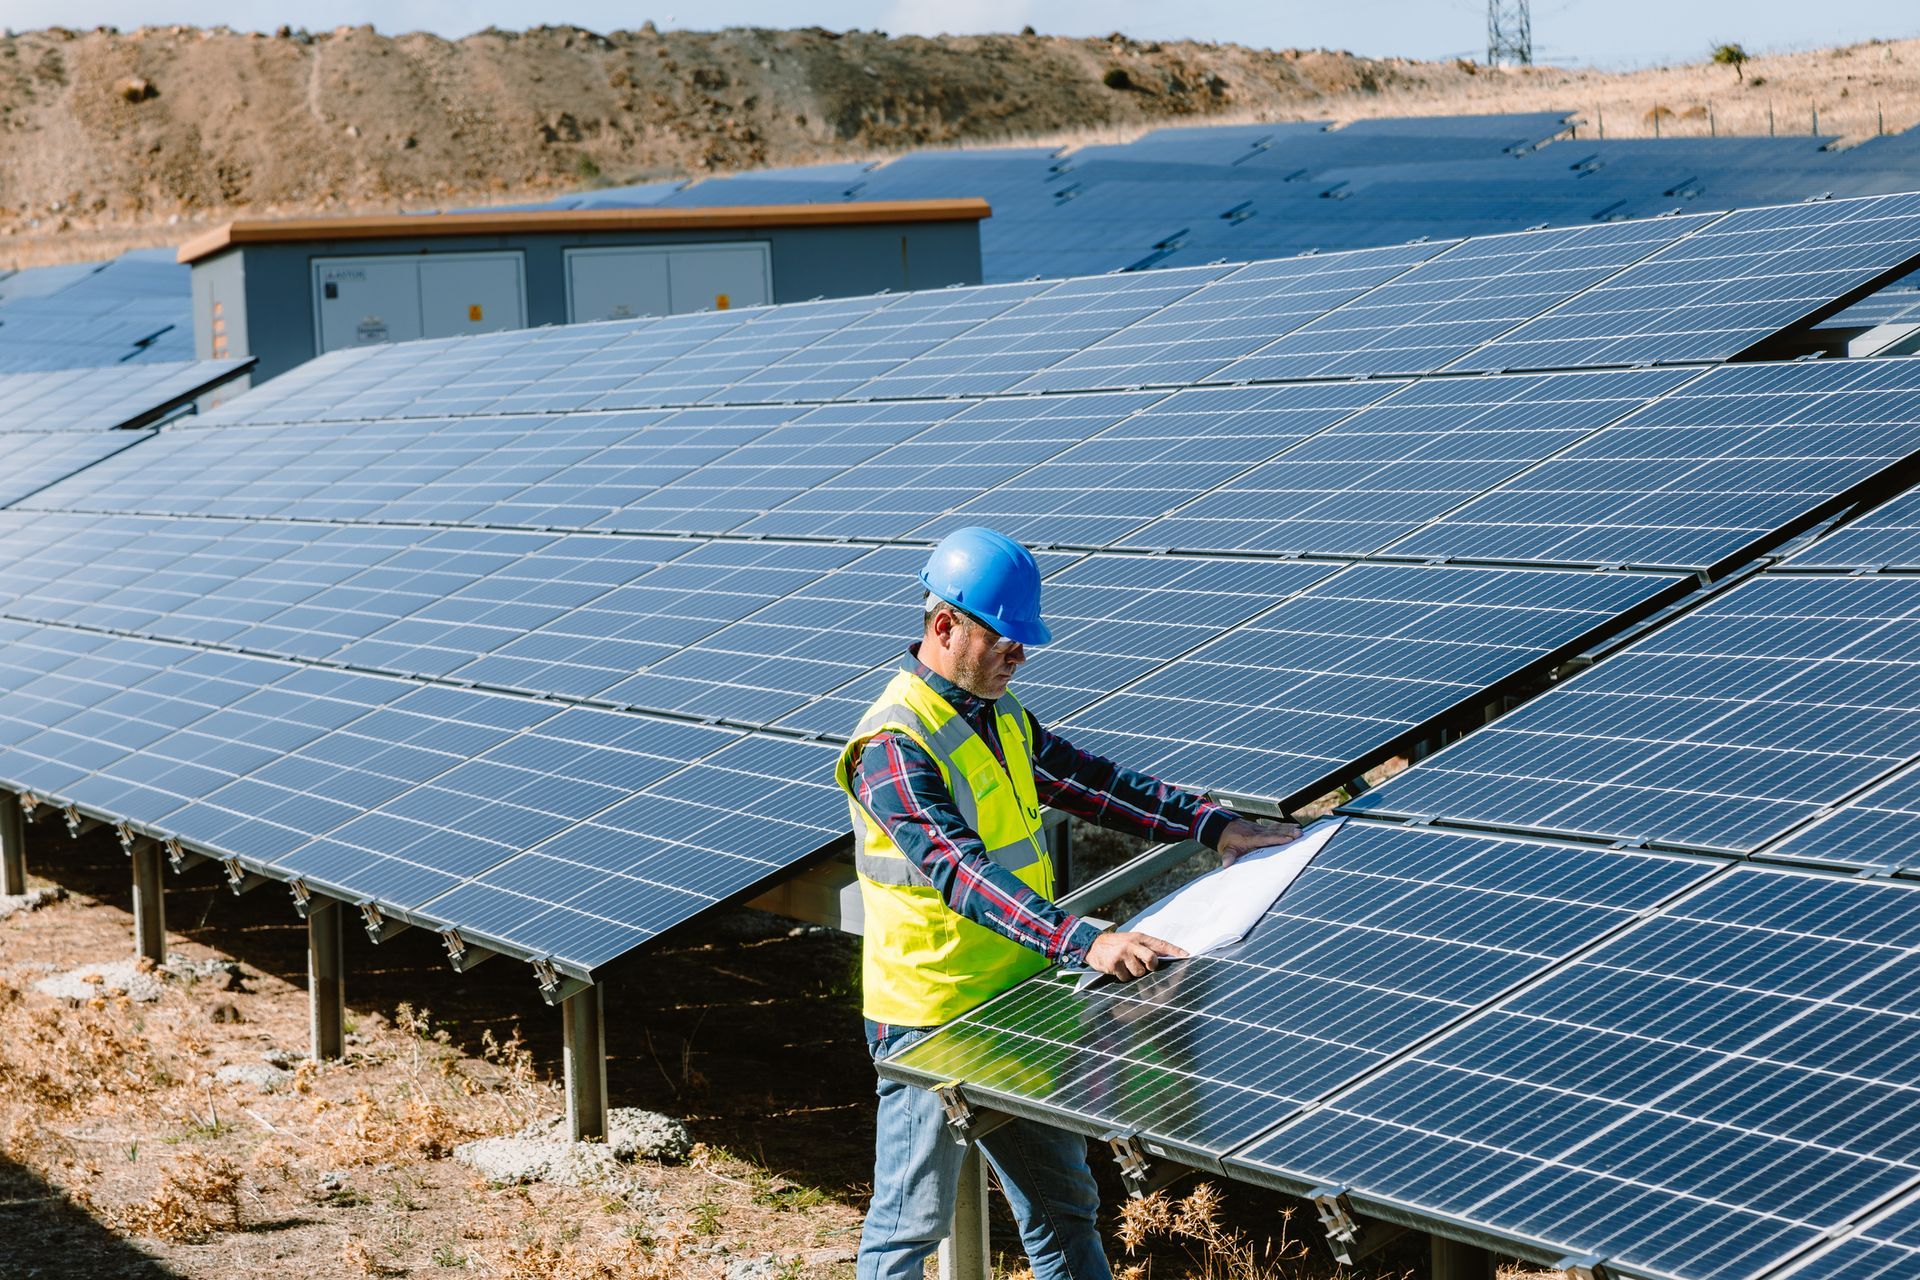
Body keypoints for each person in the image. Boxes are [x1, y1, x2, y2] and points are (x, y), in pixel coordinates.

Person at [834, 527, 1301, 1280]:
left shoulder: (1002, 716)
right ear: (945, 627)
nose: (1018, 657)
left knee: (1063, 1212)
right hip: (930, 1018)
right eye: (1004, 641)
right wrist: (1084, 940)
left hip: (1013, 1003)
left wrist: (1213, 825)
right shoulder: (893, 743)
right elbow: (960, 871)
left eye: (1024, 644)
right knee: (907, 1232)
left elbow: (1095, 784)